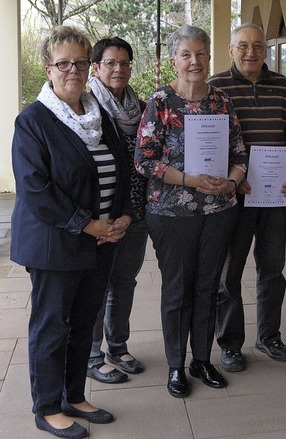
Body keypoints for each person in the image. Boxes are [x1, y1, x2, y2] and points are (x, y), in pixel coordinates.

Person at [11, 25, 131, 439]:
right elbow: (36, 189)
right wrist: (88, 223)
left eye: (80, 62)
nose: (73, 70)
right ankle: (47, 406)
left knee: (83, 322)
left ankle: (74, 395)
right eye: (64, 64)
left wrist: (123, 217)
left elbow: (122, 167)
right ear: (49, 69)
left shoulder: (99, 114)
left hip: (101, 241)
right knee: (51, 325)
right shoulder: (33, 121)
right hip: (56, 244)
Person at [135, 25, 248, 398]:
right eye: (186, 54)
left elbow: (239, 154)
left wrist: (231, 183)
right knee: (177, 289)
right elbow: (144, 160)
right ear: (174, 61)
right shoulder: (161, 102)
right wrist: (189, 180)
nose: (195, 61)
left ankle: (202, 359)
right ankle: (175, 366)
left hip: (219, 209)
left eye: (201, 53)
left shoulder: (221, 102)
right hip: (171, 213)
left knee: (208, 286)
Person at [207, 23, 286, 372]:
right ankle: (230, 344)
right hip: (235, 197)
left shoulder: (283, 85)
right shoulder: (216, 86)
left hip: (276, 196)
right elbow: (210, 140)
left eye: (257, 45)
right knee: (229, 273)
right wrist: (234, 175)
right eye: (243, 45)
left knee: (273, 269)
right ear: (230, 50)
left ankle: (269, 336)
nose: (250, 52)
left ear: (266, 50)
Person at [87, 36, 147, 384]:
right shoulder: (87, 105)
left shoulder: (138, 104)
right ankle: (92, 354)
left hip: (135, 210)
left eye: (124, 63)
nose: (119, 69)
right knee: (98, 283)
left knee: (124, 281)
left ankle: (118, 346)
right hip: (102, 215)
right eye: (111, 63)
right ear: (97, 67)